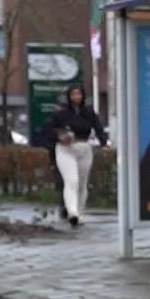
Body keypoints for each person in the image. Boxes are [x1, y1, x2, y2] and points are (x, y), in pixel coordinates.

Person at [45, 86, 106, 226]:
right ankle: (72, 212)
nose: (76, 97)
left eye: (79, 94)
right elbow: (48, 130)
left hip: (84, 148)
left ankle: (79, 212)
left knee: (82, 183)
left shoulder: (89, 113)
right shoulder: (61, 114)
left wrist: (103, 141)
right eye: (73, 94)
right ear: (68, 96)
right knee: (71, 181)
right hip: (66, 149)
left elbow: (98, 128)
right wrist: (59, 136)